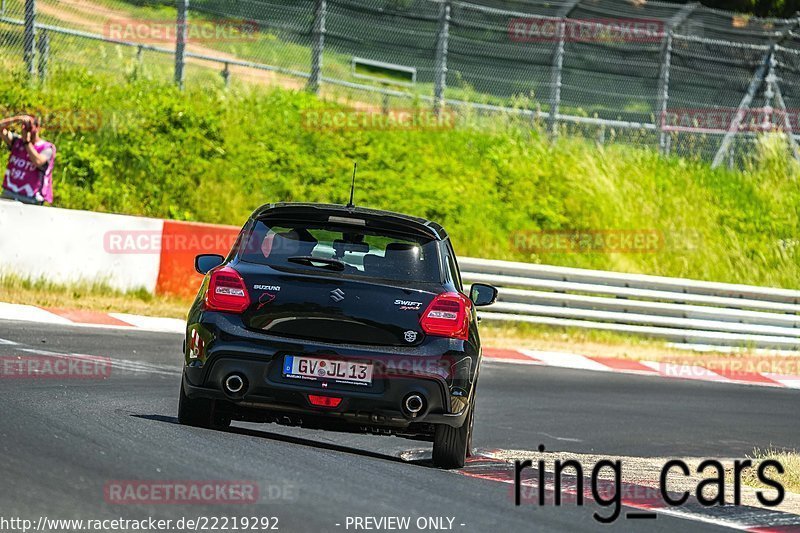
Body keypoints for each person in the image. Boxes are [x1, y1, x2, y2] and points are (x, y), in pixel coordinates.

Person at [0, 114, 56, 205]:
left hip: (30, 197)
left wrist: (27, 142)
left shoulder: (46, 148)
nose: (26, 129)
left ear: (37, 127)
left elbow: (38, 162)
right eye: (24, 126)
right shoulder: (17, 141)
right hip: (9, 192)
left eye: (29, 126)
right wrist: (16, 119)